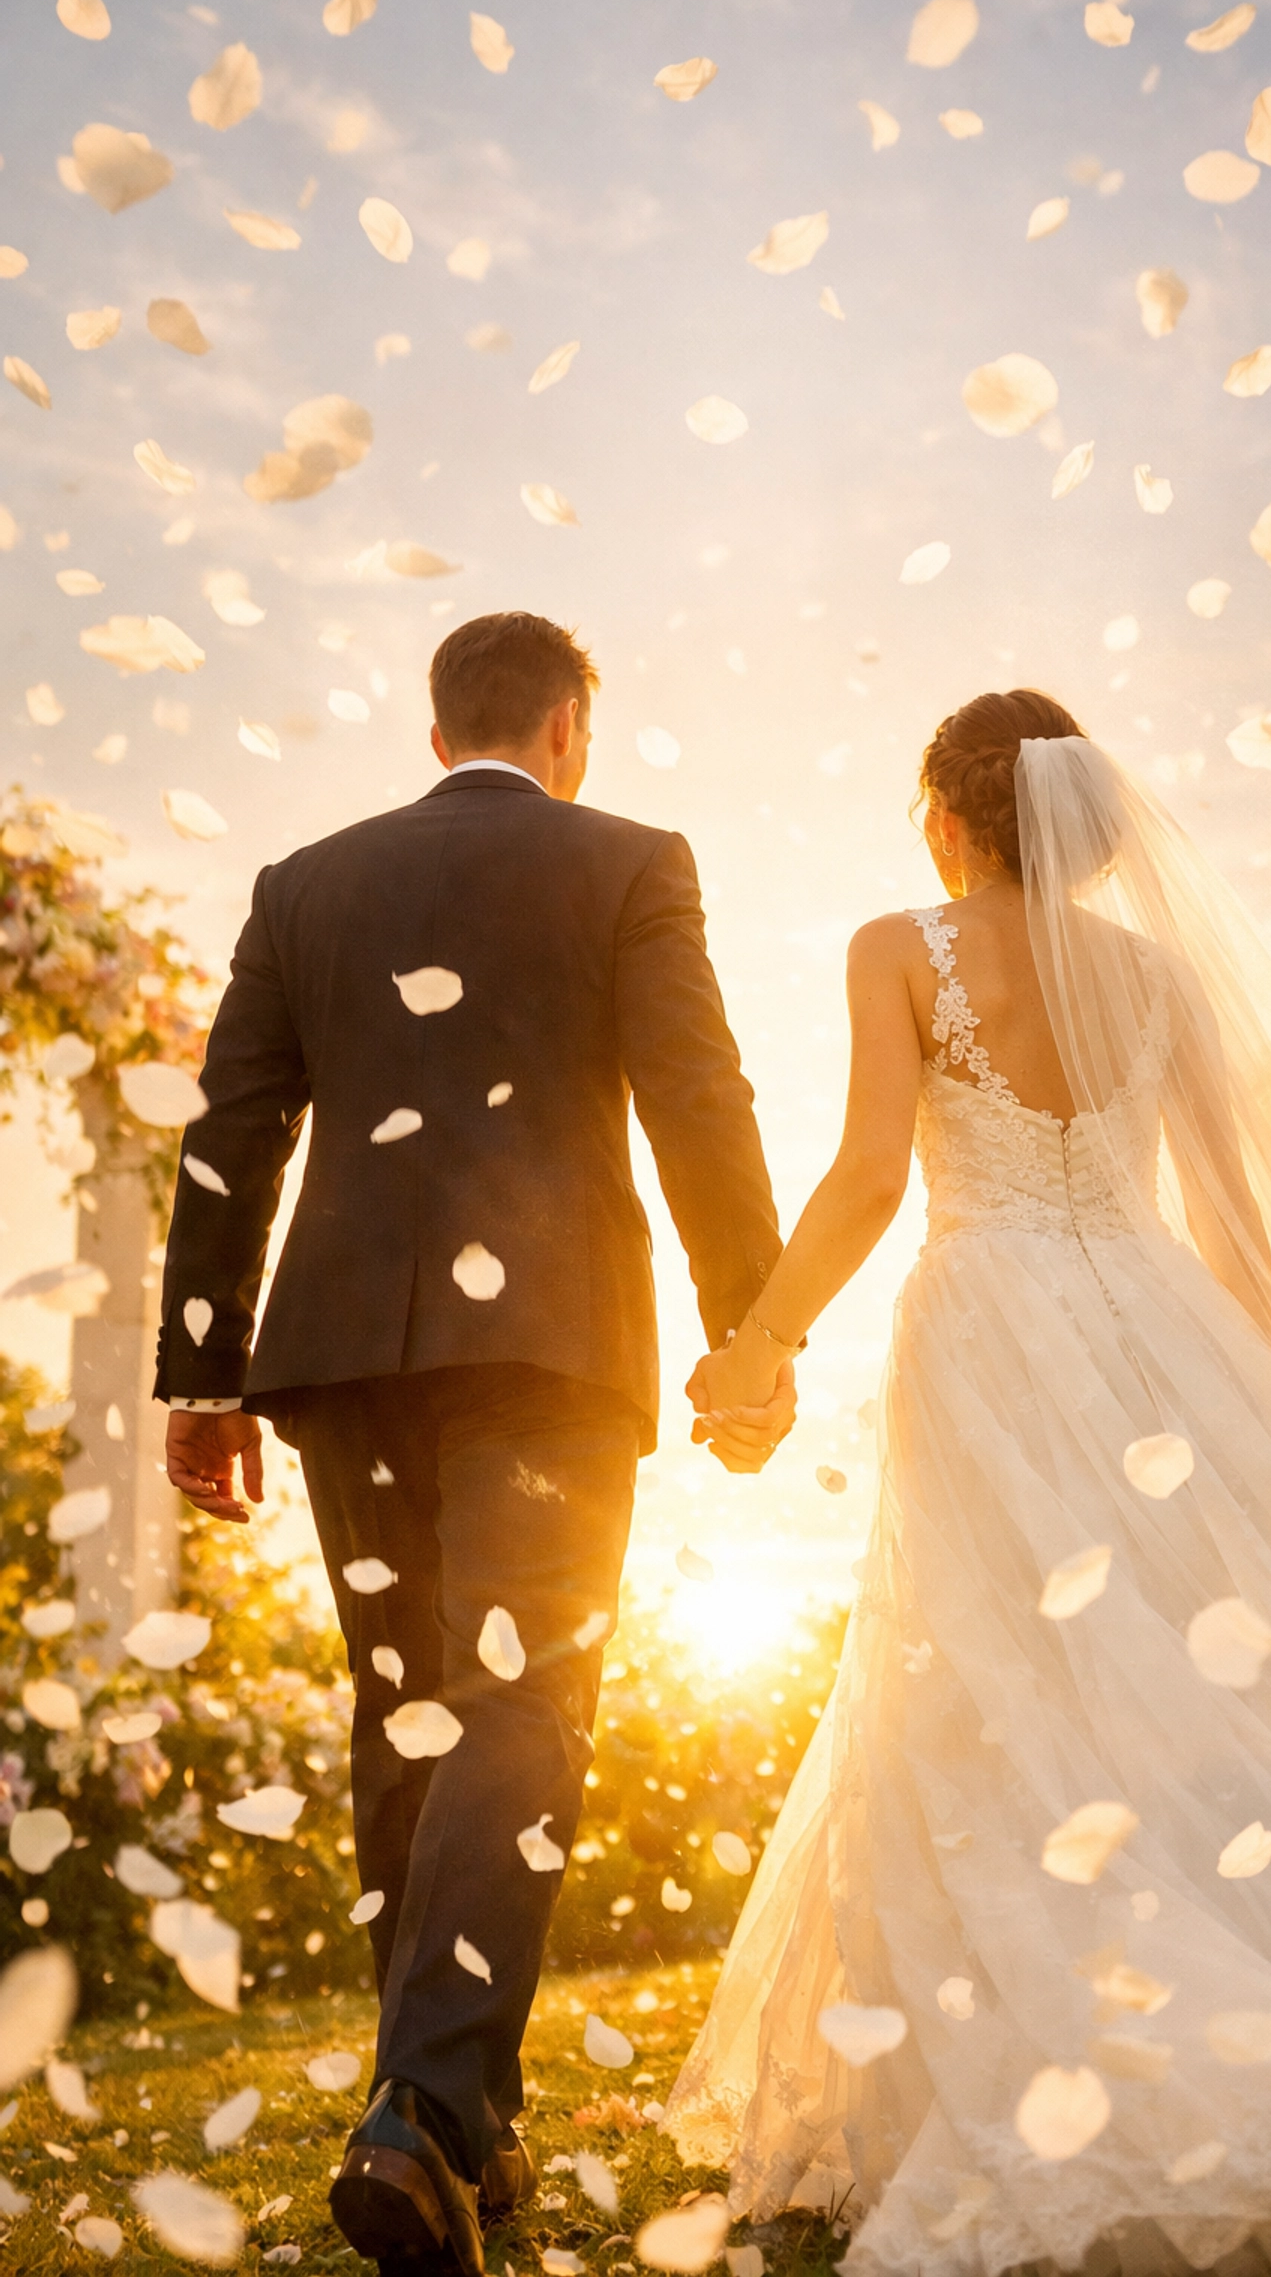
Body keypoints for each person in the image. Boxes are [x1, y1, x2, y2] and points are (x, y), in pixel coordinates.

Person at [671, 689, 1271, 2273]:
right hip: (1159, 1333)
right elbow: (1232, 1217)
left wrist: (759, 1344)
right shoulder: (1160, 975)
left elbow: (869, 1174)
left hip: (989, 1325)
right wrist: (1245, 1406)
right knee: (1175, 1686)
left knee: (995, 1682)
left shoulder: (898, 948)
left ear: (947, 817)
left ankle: (1068, 2042)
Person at [155, 611, 794, 2277]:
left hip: (343, 1355)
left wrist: (203, 1373)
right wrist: (752, 1329)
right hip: (550, 1349)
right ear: (570, 725)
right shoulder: (632, 862)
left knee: (410, 1712)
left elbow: (232, 1130)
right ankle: (429, 2113)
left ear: (439, 733)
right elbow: (698, 1097)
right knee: (519, 1704)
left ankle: (458, 2117)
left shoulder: (304, 884)